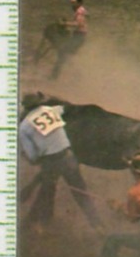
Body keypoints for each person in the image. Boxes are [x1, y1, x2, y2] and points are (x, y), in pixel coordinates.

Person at [18, 92, 102, 232]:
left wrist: (31, 156)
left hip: (50, 162)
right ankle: (97, 224)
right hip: (68, 157)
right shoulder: (51, 110)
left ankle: (43, 226)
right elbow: (66, 107)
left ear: (25, 107)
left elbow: (32, 156)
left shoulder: (24, 127)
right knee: (81, 191)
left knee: (47, 193)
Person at [51, 0, 88, 79]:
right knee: (66, 54)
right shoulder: (81, 11)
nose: (72, 4)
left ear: (79, 3)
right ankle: (57, 75)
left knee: (63, 53)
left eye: (74, 2)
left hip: (79, 37)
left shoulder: (79, 12)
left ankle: (55, 76)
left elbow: (78, 24)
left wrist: (64, 24)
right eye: (71, 2)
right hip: (79, 36)